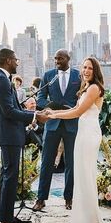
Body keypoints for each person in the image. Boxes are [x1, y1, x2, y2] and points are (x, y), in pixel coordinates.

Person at [46, 57, 110, 223]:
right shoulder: (86, 89)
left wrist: (55, 115)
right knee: (81, 175)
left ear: (95, 71)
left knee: (86, 176)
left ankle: (90, 220)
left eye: (90, 68)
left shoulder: (94, 88)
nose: (86, 70)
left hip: (89, 134)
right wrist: (54, 112)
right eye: (84, 67)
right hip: (83, 133)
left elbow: (77, 112)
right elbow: (73, 110)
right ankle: (85, 218)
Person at [0, 48, 49, 223]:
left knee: (10, 177)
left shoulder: (3, 79)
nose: (17, 63)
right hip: (8, 135)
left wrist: (32, 113)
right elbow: (8, 112)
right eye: (16, 60)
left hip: (11, 133)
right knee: (9, 177)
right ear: (8, 60)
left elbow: (13, 107)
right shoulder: (1, 80)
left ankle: (8, 217)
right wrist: (35, 116)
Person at [33, 49, 81, 212]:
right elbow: (39, 97)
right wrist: (49, 107)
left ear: (68, 58)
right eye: (55, 59)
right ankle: (41, 199)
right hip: (52, 124)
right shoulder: (48, 75)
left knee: (71, 163)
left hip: (71, 124)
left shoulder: (78, 76)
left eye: (60, 58)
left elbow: (83, 97)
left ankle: (69, 198)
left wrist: (74, 107)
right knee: (46, 162)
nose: (57, 61)